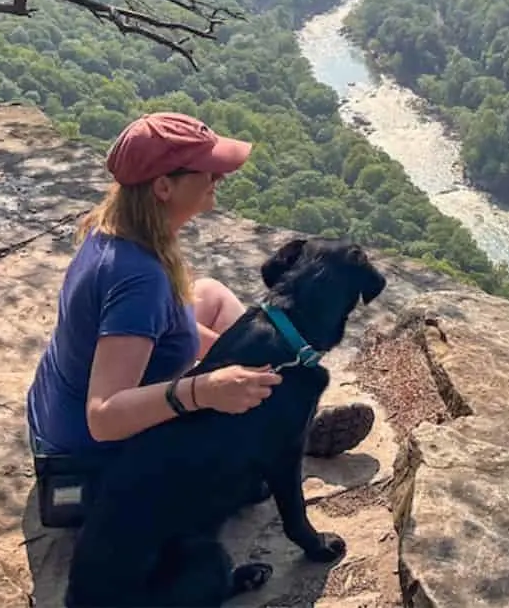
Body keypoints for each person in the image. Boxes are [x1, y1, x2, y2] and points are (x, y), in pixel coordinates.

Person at [26, 111, 374, 511]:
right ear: (163, 187)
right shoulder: (139, 280)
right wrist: (202, 391)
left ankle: (282, 409)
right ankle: (285, 433)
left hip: (53, 414)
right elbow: (103, 417)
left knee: (209, 294)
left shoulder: (115, 230)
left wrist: (236, 362)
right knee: (247, 475)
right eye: (208, 171)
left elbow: (165, 326)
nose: (218, 178)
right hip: (93, 455)